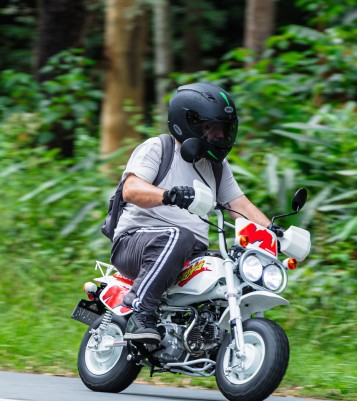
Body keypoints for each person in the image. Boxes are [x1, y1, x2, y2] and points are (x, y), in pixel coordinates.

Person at [111, 82, 273, 343]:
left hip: (185, 252)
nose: (220, 136)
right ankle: (140, 310)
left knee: (233, 264)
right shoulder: (159, 148)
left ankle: (208, 336)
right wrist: (169, 194)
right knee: (181, 236)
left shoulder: (217, 167)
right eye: (212, 128)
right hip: (135, 243)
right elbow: (130, 189)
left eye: (224, 129)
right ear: (188, 123)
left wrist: (276, 233)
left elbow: (239, 205)